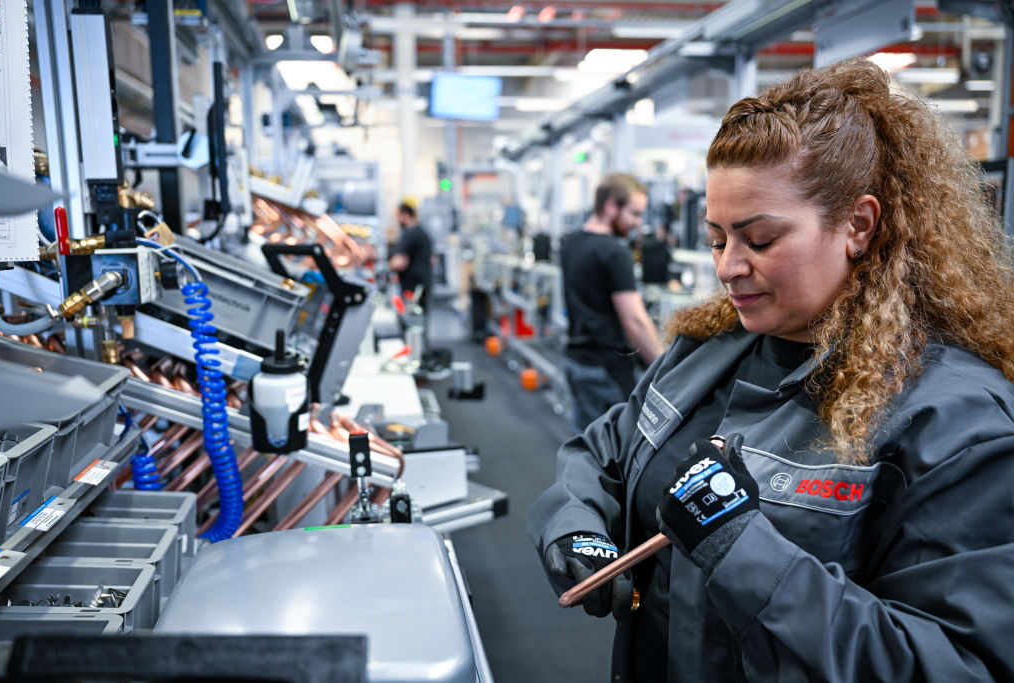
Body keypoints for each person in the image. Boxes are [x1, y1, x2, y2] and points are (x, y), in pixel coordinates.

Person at [528, 58, 1014, 682]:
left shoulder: (955, 421)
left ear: (858, 226)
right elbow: (601, 453)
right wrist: (572, 526)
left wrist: (742, 549)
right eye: (717, 238)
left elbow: (956, 665)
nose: (728, 266)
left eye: (759, 240)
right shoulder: (704, 351)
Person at [561, 173, 664, 431]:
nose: (637, 223)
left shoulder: (570, 243)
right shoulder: (614, 252)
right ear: (610, 206)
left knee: (586, 443)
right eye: (634, 213)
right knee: (616, 452)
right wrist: (664, 368)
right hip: (605, 370)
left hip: (576, 360)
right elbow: (635, 321)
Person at [388, 201, 433, 315]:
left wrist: (385, 267)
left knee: (412, 319)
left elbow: (399, 261)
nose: (396, 220)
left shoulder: (411, 234)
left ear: (406, 215)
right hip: (421, 283)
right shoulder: (421, 232)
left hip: (413, 286)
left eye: (397, 216)